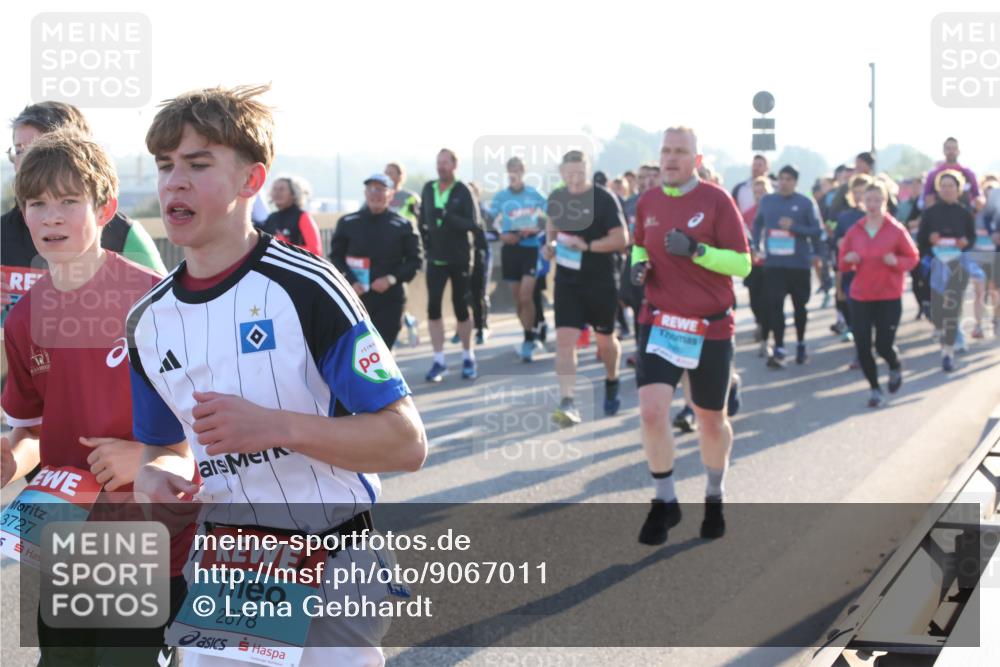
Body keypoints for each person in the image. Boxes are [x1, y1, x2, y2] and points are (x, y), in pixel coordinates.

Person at [130, 85, 427, 667]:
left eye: (197, 164)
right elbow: (162, 448)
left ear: (252, 180)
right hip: (226, 570)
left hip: (331, 561)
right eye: (165, 166)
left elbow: (405, 442)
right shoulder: (147, 321)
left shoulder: (308, 286)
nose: (174, 183)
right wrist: (156, 477)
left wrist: (275, 427)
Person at [2, 130, 190, 667]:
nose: (51, 217)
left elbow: (214, 429)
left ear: (105, 208)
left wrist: (151, 458)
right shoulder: (23, 318)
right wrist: (12, 459)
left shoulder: (155, 301)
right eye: (37, 203)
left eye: (68, 201)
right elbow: (33, 430)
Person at [631, 126, 751, 545]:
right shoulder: (647, 201)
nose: (670, 157)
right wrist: (638, 265)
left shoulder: (717, 200)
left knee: (711, 421)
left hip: (709, 326)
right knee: (651, 412)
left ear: (696, 160)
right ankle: (664, 500)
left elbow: (742, 264)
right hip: (660, 320)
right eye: (666, 150)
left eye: (680, 151)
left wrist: (698, 252)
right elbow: (639, 245)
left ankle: (714, 495)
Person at [2, 101, 166, 325]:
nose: (26, 159)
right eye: (19, 150)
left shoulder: (126, 234)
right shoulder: (5, 230)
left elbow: (165, 308)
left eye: (38, 148)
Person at [543, 150, 628, 425]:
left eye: (580, 173)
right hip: (567, 281)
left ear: (588, 171)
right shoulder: (556, 198)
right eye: (570, 174)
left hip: (601, 279)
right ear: (561, 173)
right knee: (565, 341)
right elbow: (551, 231)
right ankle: (568, 401)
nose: (575, 179)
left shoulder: (603, 199)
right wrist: (549, 248)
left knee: (605, 341)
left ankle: (612, 379)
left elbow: (621, 239)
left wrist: (587, 246)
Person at [838, 183, 919, 407]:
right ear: (862, 202)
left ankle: (894, 365)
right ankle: (875, 389)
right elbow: (842, 264)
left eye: (877, 200)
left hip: (888, 296)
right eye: (868, 200)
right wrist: (848, 260)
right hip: (861, 296)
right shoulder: (855, 230)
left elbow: (913, 258)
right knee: (863, 346)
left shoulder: (896, 230)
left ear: (885, 201)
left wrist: (897, 261)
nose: (872, 205)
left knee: (883, 346)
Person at [329, 173, 422, 348]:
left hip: (390, 299)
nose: (375, 194)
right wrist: (351, 281)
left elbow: (415, 261)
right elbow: (335, 258)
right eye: (371, 189)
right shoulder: (347, 222)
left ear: (391, 194)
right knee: (356, 351)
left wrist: (391, 279)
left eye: (380, 189)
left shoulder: (403, 225)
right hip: (355, 298)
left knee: (382, 350)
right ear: (365, 193)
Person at [419, 149, 483, 381]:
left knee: (461, 308)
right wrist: (426, 242)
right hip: (435, 258)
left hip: (460, 258)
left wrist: (448, 216)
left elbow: (474, 224)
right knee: (433, 308)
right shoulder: (428, 188)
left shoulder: (463, 190)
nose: (441, 167)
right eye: (438, 162)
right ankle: (439, 361)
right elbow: (422, 219)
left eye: (445, 163)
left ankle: (468, 356)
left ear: (454, 165)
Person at [752, 164, 822, 367]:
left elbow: (816, 231)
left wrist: (794, 227)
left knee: (800, 306)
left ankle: (800, 344)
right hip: (774, 264)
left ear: (796, 182)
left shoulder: (805, 202)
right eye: (781, 178)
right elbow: (757, 223)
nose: (784, 182)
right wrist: (756, 245)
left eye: (788, 179)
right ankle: (780, 347)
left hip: (798, 264)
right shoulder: (767, 201)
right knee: (775, 306)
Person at [917, 170, 977, 371]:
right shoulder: (930, 213)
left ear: (958, 189)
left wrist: (965, 242)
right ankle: (944, 330)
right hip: (936, 263)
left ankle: (956, 337)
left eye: (951, 186)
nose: (947, 189)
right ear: (938, 189)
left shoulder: (964, 212)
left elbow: (971, 237)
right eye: (943, 186)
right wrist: (930, 240)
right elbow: (921, 240)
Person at [489, 156, 548, 361]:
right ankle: (528, 331)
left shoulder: (533, 193)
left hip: (530, 249)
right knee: (518, 300)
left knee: (526, 296)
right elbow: (488, 221)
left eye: (518, 169)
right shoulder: (501, 197)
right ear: (508, 172)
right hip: (510, 250)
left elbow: (551, 215)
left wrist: (536, 228)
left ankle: (529, 338)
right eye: (511, 170)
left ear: (523, 171)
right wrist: (501, 235)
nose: (515, 173)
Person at [385, 161, 422, 347]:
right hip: (384, 250)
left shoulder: (410, 197)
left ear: (401, 176)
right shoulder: (380, 195)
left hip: (405, 250)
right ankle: (408, 320)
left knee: (399, 291)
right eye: (386, 172)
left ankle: (405, 322)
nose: (388, 176)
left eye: (391, 173)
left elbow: (421, 220)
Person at [742, 175, 772, 354]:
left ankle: (766, 334)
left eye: (763, 192)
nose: (759, 196)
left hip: (772, 263)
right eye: (756, 193)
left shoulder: (774, 211)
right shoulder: (747, 214)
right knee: (755, 301)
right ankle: (760, 323)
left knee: (769, 300)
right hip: (754, 263)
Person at [260, 174, 323, 255]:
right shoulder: (271, 217)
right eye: (274, 189)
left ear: (293, 194)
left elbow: (315, 250)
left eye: (282, 189)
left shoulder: (302, 216)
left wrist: (284, 247)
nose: (277, 192)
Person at [923, 137, 980, 209]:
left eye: (954, 148)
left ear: (959, 151)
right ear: (943, 151)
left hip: (963, 214)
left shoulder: (969, 173)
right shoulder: (933, 174)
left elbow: (977, 197)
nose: (951, 151)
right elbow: (928, 198)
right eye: (948, 148)